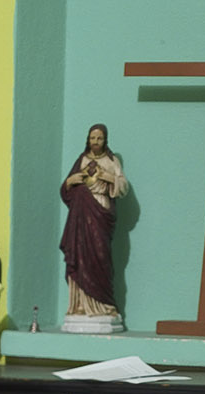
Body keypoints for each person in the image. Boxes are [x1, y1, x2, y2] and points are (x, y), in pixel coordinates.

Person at [59, 123, 127, 326]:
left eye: (99, 138)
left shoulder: (111, 161)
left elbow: (123, 187)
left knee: (101, 255)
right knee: (80, 255)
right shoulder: (82, 160)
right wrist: (70, 181)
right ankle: (80, 305)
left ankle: (104, 305)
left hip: (100, 212)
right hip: (81, 216)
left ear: (105, 140)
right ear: (88, 139)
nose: (95, 142)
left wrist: (109, 177)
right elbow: (65, 190)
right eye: (92, 138)